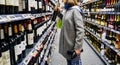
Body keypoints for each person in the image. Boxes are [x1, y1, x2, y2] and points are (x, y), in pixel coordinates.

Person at [58, 0, 84, 65]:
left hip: (73, 48)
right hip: (68, 47)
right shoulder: (67, 10)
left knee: (75, 62)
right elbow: (64, 20)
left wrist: (78, 48)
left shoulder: (75, 11)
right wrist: (57, 11)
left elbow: (80, 30)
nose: (62, 1)